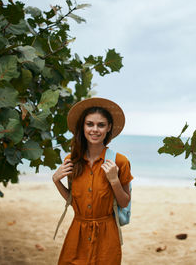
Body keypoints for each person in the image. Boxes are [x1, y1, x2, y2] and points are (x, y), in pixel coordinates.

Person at [52, 97, 133, 265]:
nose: (95, 130)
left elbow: (124, 202)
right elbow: (73, 201)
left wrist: (114, 180)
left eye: (101, 125)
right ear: (83, 127)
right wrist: (56, 181)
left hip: (107, 236)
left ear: (109, 127)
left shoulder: (120, 161)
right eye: (90, 124)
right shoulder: (71, 160)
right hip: (77, 233)